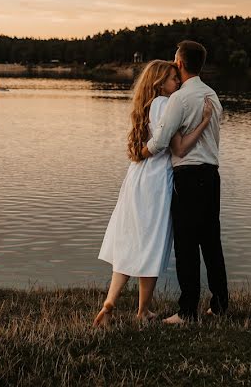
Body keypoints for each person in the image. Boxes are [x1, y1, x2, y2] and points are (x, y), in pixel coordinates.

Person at [94, 60, 213, 326]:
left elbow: (146, 146)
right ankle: (143, 310)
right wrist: (204, 121)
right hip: (156, 181)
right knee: (152, 244)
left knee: (130, 239)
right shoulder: (165, 105)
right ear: (159, 83)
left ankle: (111, 301)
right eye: (172, 79)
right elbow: (178, 148)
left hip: (136, 177)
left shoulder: (145, 106)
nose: (177, 82)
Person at [143, 40, 227, 324]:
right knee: (211, 242)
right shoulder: (212, 96)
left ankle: (188, 310)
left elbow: (163, 141)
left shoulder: (179, 99)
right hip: (212, 175)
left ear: (179, 63)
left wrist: (139, 151)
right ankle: (219, 304)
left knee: (187, 246)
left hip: (188, 177)